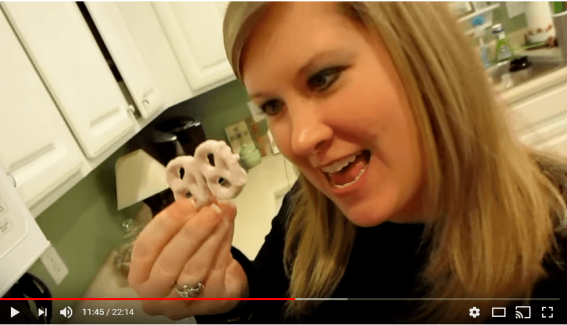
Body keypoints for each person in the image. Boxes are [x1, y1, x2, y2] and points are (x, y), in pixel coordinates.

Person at [128, 2, 567, 323]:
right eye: (273, 105)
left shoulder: (554, 246)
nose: (299, 139)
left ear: (421, 57)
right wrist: (232, 298)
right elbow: (271, 300)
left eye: (323, 78)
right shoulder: (307, 212)